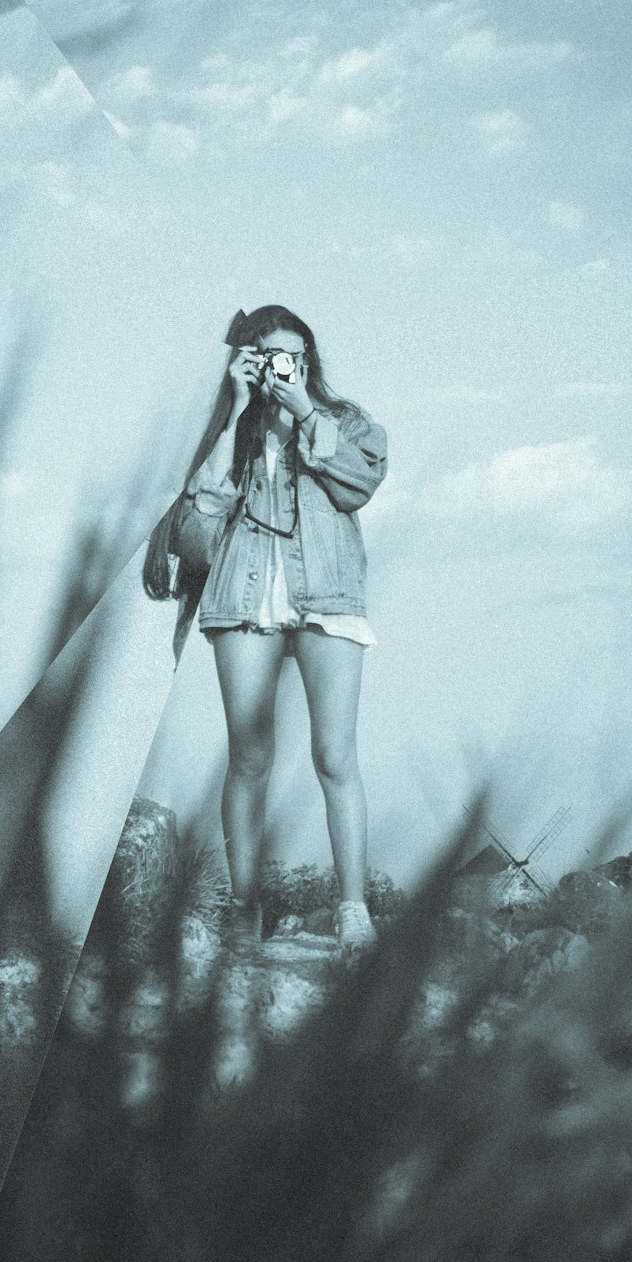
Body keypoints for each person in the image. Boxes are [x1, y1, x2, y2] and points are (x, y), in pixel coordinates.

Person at [143, 306, 388, 951]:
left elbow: (359, 486)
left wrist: (306, 410)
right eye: (268, 357)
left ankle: (353, 910)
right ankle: (246, 912)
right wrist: (234, 409)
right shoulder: (236, 428)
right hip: (244, 596)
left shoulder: (344, 420)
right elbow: (200, 523)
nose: (283, 368)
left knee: (335, 757)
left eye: (294, 356)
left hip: (327, 595)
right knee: (249, 759)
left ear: (309, 360)